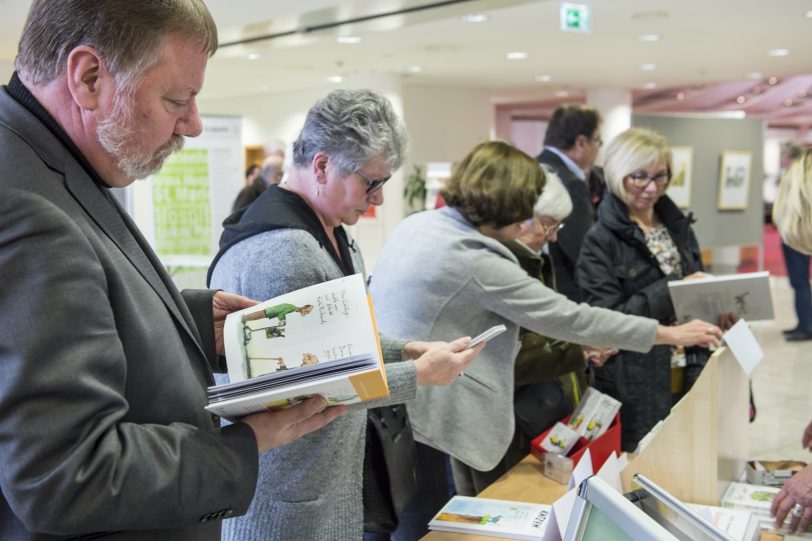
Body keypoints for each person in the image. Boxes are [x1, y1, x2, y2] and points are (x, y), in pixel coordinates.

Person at [0, 1, 348, 539]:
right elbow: (68, 477)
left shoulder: (44, 156)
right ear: (89, 77)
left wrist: (182, 319)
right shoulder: (28, 208)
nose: (194, 124)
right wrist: (245, 443)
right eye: (176, 99)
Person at [369, 140, 722, 540]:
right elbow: (571, 319)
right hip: (422, 415)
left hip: (391, 404)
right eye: (526, 214)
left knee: (404, 521)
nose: (531, 228)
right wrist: (669, 334)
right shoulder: (475, 259)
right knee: (422, 527)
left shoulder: (422, 224)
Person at [208, 89, 482, 540]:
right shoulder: (285, 252)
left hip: (315, 482)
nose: (375, 200)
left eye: (382, 184)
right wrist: (418, 373)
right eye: (369, 183)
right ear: (321, 166)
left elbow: (338, 340)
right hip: (289, 496)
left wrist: (407, 348)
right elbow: (316, 384)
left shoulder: (328, 228)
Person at [576, 127, 727, 452]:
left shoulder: (677, 225)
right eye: (639, 177)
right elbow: (608, 321)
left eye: (661, 176)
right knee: (644, 470)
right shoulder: (600, 240)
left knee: (692, 459)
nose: (651, 187)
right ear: (618, 175)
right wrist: (673, 288)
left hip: (691, 366)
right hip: (637, 380)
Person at [491, 172, 618, 487]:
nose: (553, 238)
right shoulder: (499, 270)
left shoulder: (532, 261)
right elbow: (504, 359)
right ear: (520, 218)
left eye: (556, 227)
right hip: (513, 424)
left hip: (545, 413)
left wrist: (580, 350)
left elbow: (546, 333)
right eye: (548, 226)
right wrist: (577, 351)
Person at [537, 104, 606, 302]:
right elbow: (585, 252)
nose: (597, 150)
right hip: (565, 293)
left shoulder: (531, 169)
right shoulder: (569, 183)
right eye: (598, 142)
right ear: (581, 143)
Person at [775, 142, 812, 341]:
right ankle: (805, 323)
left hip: (795, 235)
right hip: (795, 235)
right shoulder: (797, 174)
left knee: (800, 282)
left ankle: (806, 325)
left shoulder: (798, 177)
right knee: (799, 281)